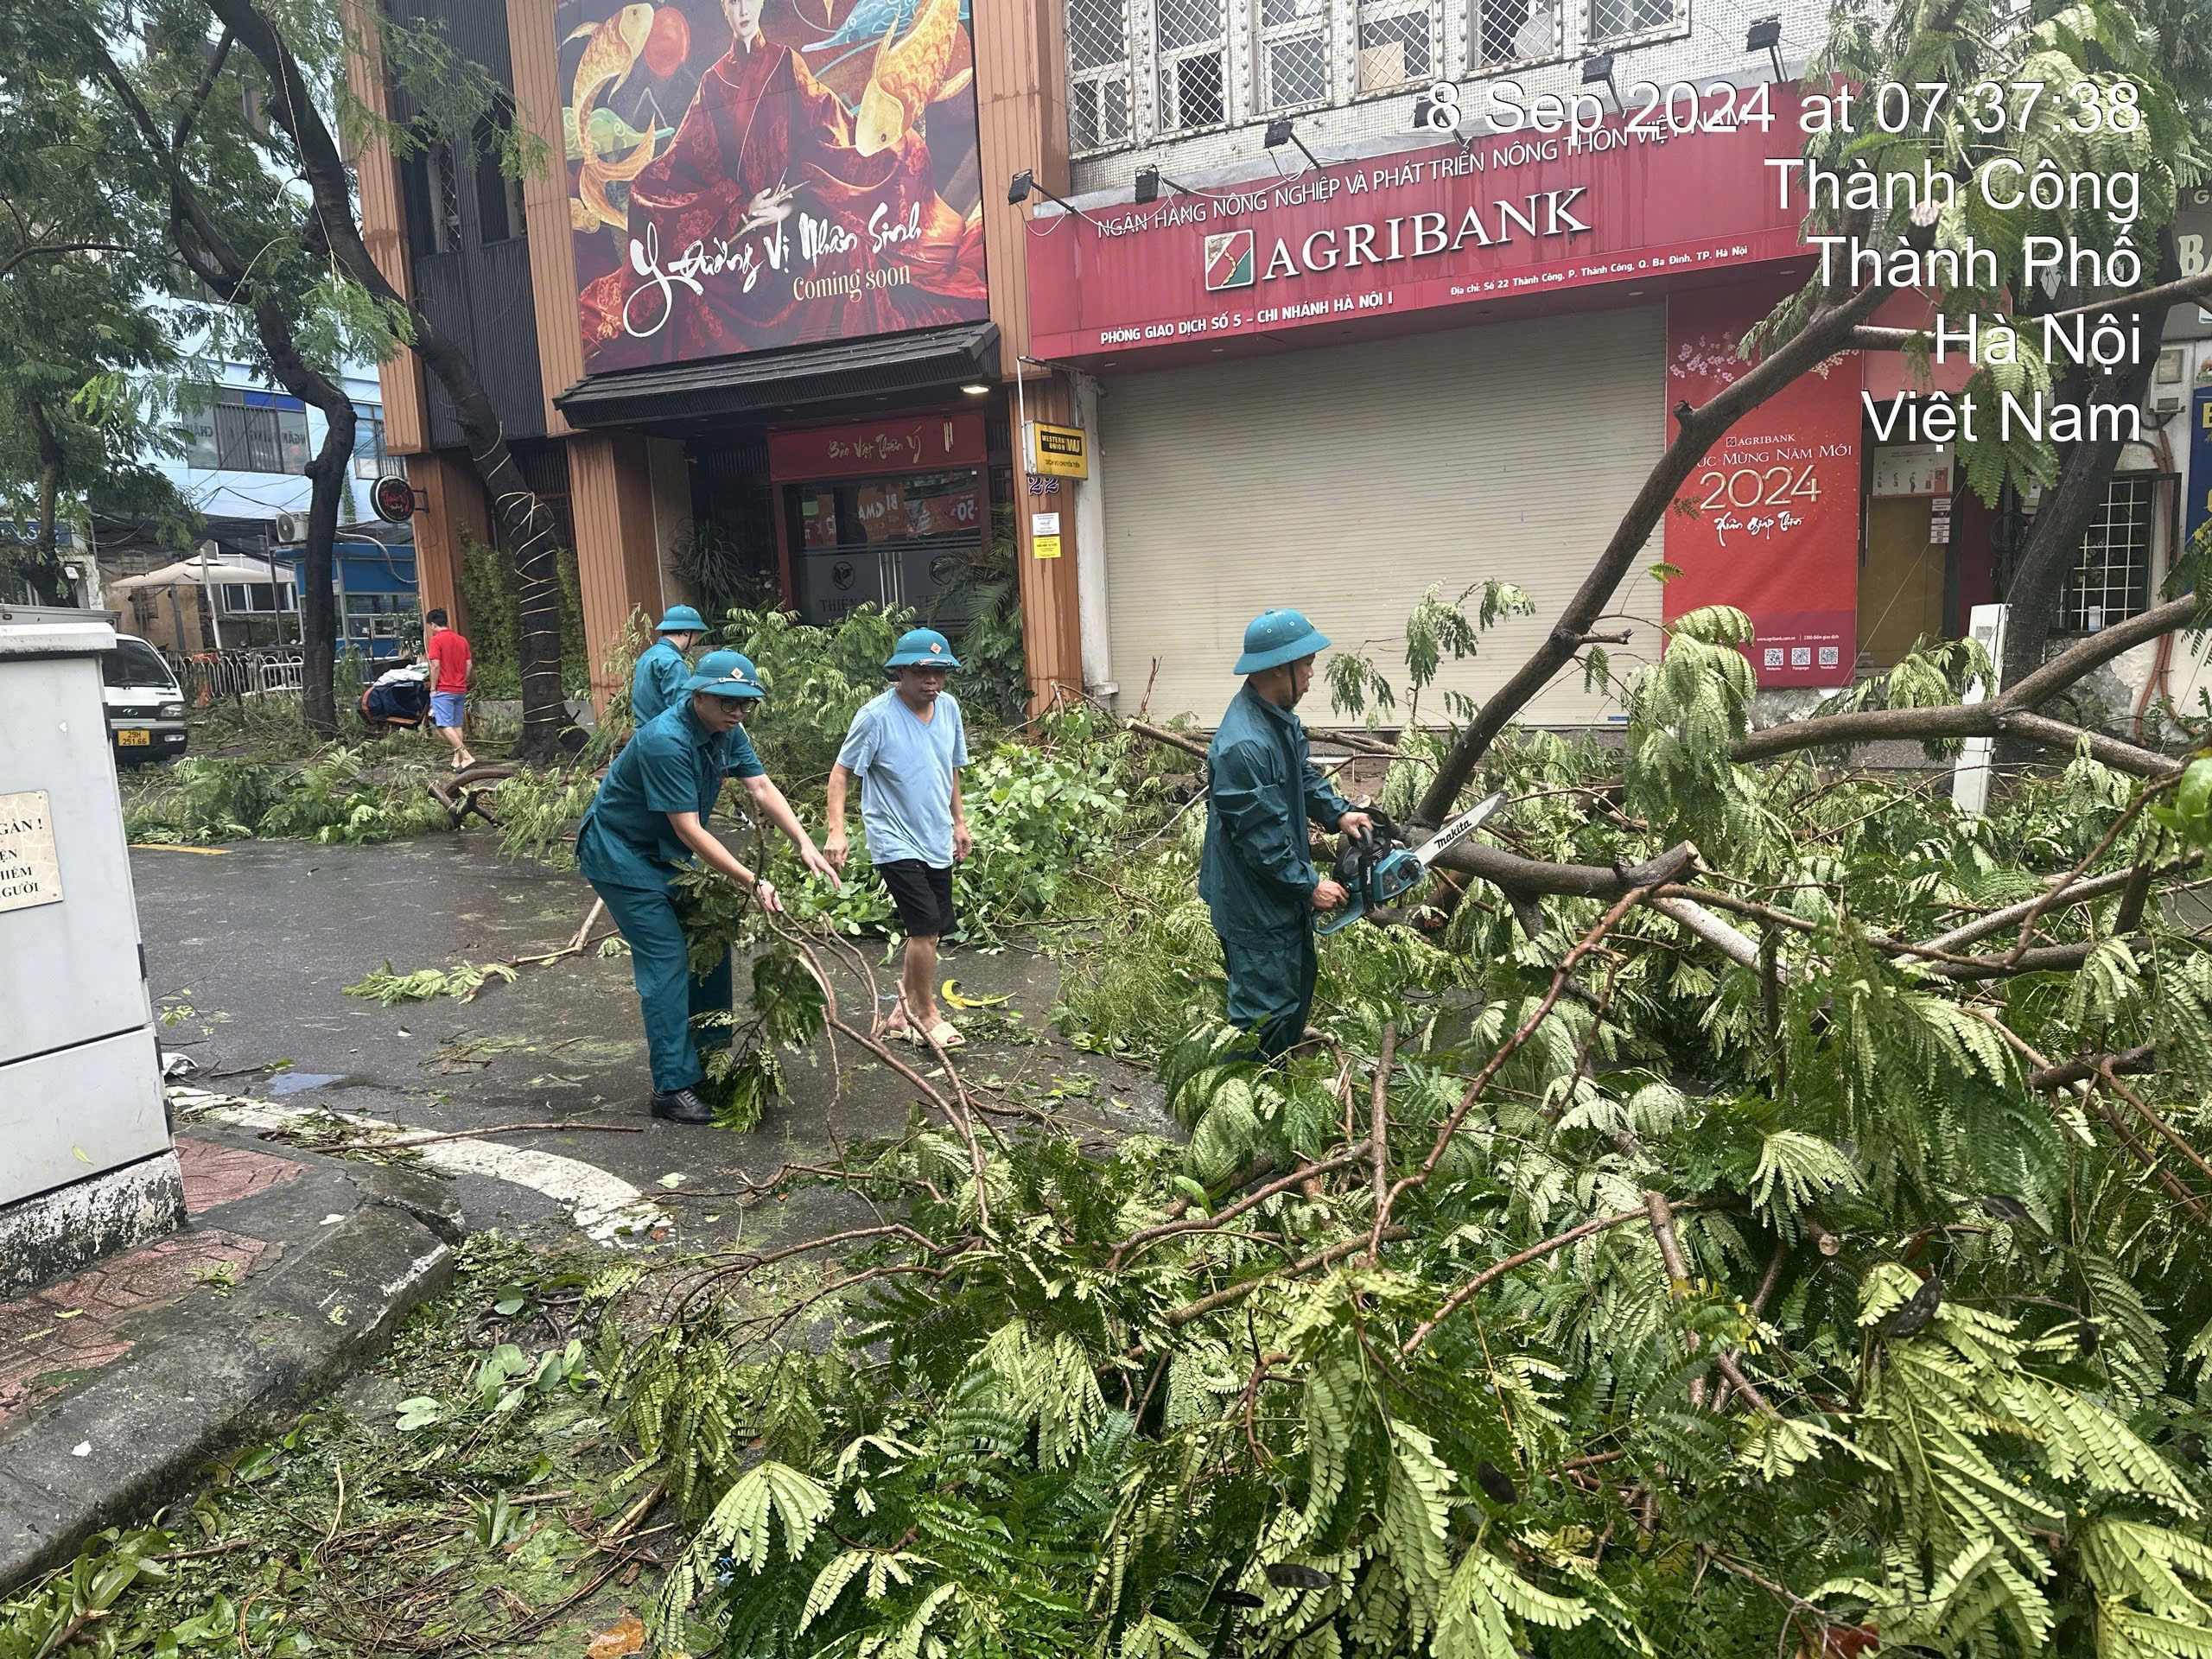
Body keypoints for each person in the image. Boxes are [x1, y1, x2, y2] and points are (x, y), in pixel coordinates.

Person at [578, 648, 839, 1124]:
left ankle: (712, 1065)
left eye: (745, 703)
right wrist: (751, 880)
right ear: (698, 694)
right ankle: (672, 1087)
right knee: (667, 960)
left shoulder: (727, 730)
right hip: (623, 856)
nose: (737, 712)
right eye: (727, 702)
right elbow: (691, 830)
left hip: (673, 857)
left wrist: (805, 841)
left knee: (712, 948)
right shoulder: (665, 741)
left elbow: (761, 788)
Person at [1200, 610, 1373, 1059]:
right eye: (1308, 663)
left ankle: (1279, 1075)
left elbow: (1302, 775)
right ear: (1281, 667)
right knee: (1264, 1012)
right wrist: (1309, 884)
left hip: (1276, 893)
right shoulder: (1245, 745)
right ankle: (1240, 1107)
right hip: (1254, 901)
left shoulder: (1278, 719)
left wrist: (1340, 814)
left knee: (1294, 989)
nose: (1313, 674)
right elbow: (1263, 841)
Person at [823, 628, 970, 1049]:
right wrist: (837, 830)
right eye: (923, 672)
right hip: (893, 837)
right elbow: (841, 772)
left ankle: (899, 1013)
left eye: (940, 673)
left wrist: (958, 822)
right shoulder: (876, 716)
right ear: (901, 671)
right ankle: (926, 1015)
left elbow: (951, 768)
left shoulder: (949, 710)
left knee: (933, 932)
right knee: (924, 928)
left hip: (936, 835)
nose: (933, 682)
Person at [631, 606, 708, 723]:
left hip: (643, 733)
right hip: (665, 735)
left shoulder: (647, 655)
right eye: (697, 635)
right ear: (687, 632)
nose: (696, 641)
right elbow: (682, 709)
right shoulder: (673, 662)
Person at [423, 608, 474, 772]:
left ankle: (466, 756)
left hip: (444, 689)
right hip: (460, 688)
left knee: (443, 725)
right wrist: (462, 680)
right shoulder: (461, 640)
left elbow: (435, 665)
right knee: (456, 724)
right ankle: (456, 761)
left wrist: (432, 687)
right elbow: (469, 665)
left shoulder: (436, 641)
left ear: (432, 625)